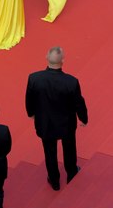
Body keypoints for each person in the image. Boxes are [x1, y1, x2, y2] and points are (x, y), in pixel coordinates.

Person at [25, 46, 88, 190]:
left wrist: (31, 113)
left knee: (49, 152)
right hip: (66, 123)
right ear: (63, 61)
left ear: (46, 56)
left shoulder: (34, 78)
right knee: (69, 148)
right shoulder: (71, 82)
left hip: (45, 123)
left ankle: (54, 181)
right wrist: (83, 118)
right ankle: (71, 172)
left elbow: (29, 99)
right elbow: (79, 102)